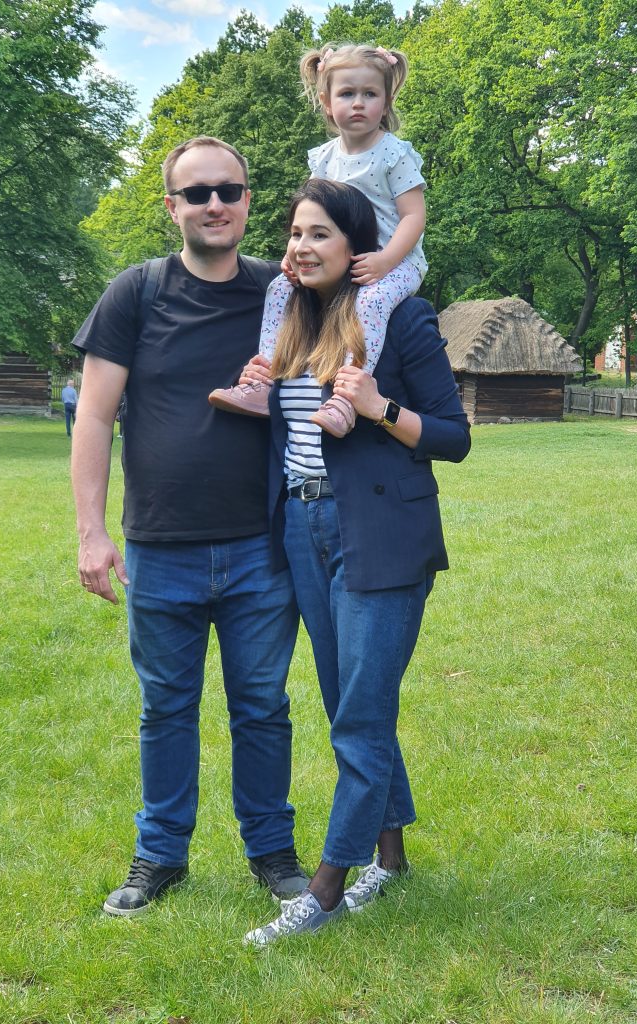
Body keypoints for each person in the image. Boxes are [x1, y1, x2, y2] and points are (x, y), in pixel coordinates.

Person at [70, 136, 308, 918]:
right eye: (197, 192)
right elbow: (94, 417)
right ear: (171, 206)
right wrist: (91, 533)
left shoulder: (282, 294)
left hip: (262, 547)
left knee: (262, 708)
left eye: (229, 190)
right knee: (166, 710)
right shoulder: (134, 293)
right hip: (160, 548)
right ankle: (160, 856)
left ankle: (272, 853)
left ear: (248, 201)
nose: (215, 204)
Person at [241, 179, 471, 945]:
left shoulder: (401, 317)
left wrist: (380, 409)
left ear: (356, 246)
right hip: (301, 529)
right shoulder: (289, 320)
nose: (302, 247)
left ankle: (325, 890)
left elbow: (454, 436)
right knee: (350, 703)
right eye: (295, 233)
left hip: (380, 533)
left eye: (320, 234)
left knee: (361, 718)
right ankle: (391, 860)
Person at [210, 43, 426, 439]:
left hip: (395, 262)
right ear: (326, 102)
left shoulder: (394, 154)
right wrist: (295, 254)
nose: (358, 103)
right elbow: (309, 214)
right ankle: (263, 381)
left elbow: (414, 216)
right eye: (347, 93)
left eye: (370, 93)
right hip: (341, 261)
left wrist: (386, 261)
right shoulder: (325, 158)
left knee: (371, 302)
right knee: (279, 288)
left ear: (386, 100)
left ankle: (346, 397)